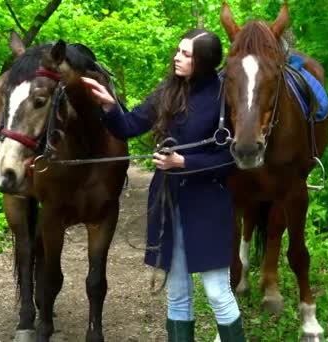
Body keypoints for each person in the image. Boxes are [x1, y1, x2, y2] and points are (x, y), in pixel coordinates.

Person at [82, 29, 245, 342]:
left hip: (209, 205)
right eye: (178, 51)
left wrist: (185, 163)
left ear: (205, 61)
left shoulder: (226, 94)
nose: (177, 58)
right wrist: (109, 106)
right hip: (168, 203)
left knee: (217, 293)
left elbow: (234, 159)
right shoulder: (168, 90)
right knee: (178, 293)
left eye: (186, 54)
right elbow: (128, 127)